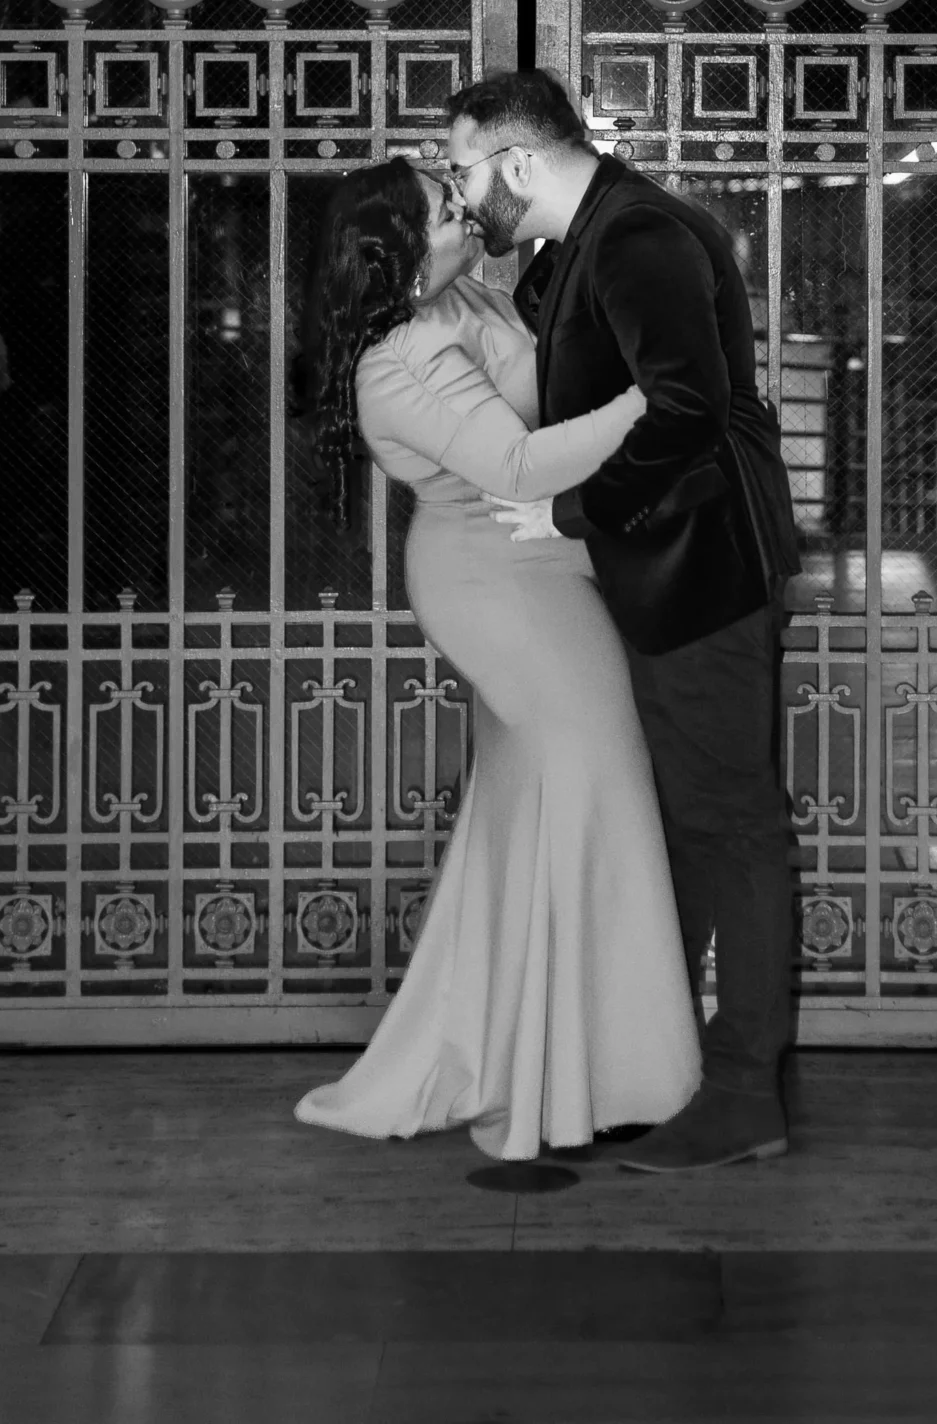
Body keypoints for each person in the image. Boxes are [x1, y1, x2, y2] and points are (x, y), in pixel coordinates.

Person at [292, 155, 701, 1162]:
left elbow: (545, 335)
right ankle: (581, 1077)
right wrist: (658, 399)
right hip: (496, 583)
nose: (463, 211)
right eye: (444, 208)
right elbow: (518, 464)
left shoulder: (466, 291)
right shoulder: (399, 360)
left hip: (540, 566)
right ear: (400, 250)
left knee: (553, 803)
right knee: (596, 785)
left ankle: (570, 1063)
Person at [446, 67, 797, 1175]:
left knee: (730, 824)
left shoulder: (638, 237)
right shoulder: (587, 241)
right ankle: (668, 1069)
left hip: (703, 573)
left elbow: (687, 410)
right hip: (665, 569)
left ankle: (745, 1094)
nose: (459, 195)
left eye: (464, 170)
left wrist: (571, 511)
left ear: (517, 160)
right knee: (687, 819)